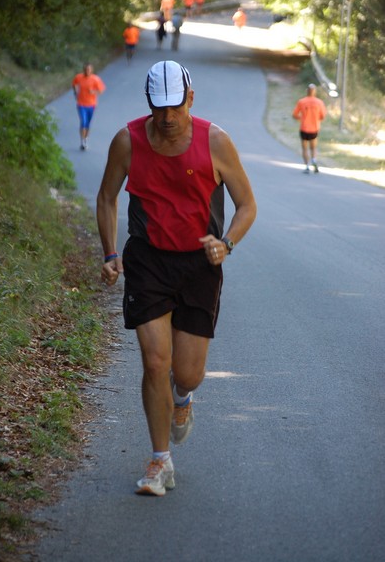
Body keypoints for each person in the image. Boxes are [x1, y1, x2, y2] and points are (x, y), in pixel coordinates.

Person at [97, 60, 257, 496]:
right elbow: (108, 197)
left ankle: (182, 399)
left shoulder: (215, 141)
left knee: (186, 374)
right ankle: (159, 461)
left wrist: (226, 243)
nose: (167, 118)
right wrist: (110, 251)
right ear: (149, 103)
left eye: (175, 107)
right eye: (159, 108)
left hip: (198, 265)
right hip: (147, 261)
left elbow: (247, 206)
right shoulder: (127, 142)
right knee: (154, 362)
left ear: (190, 98)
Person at [292, 83, 327, 173]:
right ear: (314, 92)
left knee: (304, 148)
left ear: (307, 91)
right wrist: (316, 119)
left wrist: (302, 119)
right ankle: (314, 160)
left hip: (304, 128)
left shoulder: (302, 101)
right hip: (314, 128)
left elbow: (295, 114)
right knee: (313, 147)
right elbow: (322, 116)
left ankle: (307, 165)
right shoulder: (319, 102)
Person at [72, 63, 106, 150]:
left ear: (92, 70)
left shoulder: (95, 79)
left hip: (91, 105)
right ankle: (82, 142)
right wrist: (75, 92)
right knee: (83, 122)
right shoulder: (79, 77)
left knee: (88, 123)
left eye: (89, 70)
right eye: (86, 69)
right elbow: (74, 83)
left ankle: (86, 139)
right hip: (81, 104)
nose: (87, 71)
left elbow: (101, 90)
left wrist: (94, 92)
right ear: (84, 70)